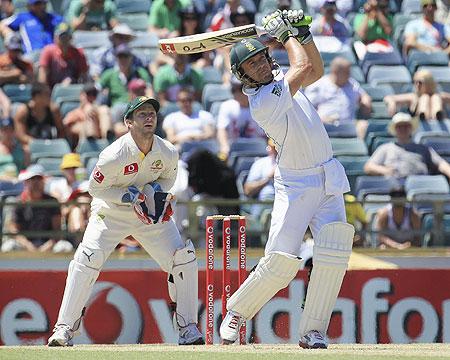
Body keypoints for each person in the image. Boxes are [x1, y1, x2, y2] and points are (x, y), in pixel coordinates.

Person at [219, 10, 354, 349]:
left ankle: (312, 332)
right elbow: (304, 67)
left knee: (334, 252)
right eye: (252, 64)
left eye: (262, 57)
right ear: (243, 75)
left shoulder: (282, 79)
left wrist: (303, 33)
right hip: (296, 185)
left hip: (328, 177)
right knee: (281, 261)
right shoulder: (262, 102)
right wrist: (285, 34)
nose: (261, 64)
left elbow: (316, 69)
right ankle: (237, 310)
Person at [47, 96, 204, 346]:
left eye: (152, 112)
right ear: (128, 122)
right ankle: (64, 329)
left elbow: (168, 180)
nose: (149, 116)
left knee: (182, 258)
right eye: (141, 114)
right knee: (86, 260)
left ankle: (188, 329)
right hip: (111, 213)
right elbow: (94, 189)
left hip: (148, 215)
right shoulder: (113, 155)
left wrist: (154, 194)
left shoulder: (167, 152)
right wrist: (129, 196)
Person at [364, 112, 450, 179]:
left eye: (406, 126)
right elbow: (369, 167)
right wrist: (385, 171)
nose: (403, 129)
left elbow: (441, 164)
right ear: (395, 130)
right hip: (397, 187)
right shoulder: (385, 148)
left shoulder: (423, 148)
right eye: (399, 127)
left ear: (411, 128)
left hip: (421, 184)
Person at [304, 56, 372, 138]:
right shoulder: (319, 85)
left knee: (364, 125)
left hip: (349, 125)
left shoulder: (352, 83)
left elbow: (363, 95)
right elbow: (306, 108)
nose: (349, 75)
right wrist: (321, 119)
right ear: (335, 72)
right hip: (325, 125)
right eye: (346, 72)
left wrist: (365, 99)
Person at [3, 164, 62, 252]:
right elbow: (14, 230)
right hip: (24, 244)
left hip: (48, 244)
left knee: (64, 247)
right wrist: (28, 245)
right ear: (26, 182)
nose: (36, 182)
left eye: (39, 178)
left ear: (44, 181)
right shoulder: (19, 202)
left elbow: (57, 230)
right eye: (32, 179)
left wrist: (47, 246)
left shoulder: (52, 201)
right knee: (8, 247)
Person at [217, 77, 266, 158]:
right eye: (233, 90)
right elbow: (222, 130)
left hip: (257, 150)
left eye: (239, 89)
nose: (235, 93)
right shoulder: (227, 106)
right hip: (234, 149)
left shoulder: (260, 106)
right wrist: (224, 146)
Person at [13, 82, 65, 149]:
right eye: (46, 94)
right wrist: (37, 144)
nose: (49, 97)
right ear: (37, 97)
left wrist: (53, 144)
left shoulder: (53, 110)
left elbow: (61, 131)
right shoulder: (23, 111)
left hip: (50, 144)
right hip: (30, 144)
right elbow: (21, 135)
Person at [384, 69, 450, 121]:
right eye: (416, 82)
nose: (417, 85)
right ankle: (423, 116)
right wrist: (391, 103)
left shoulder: (440, 96)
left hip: (440, 126)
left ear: (429, 83)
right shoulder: (413, 97)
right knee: (424, 98)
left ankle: (437, 115)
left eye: (420, 82)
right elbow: (389, 98)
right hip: (418, 126)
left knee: (435, 97)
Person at [38, 22, 89, 89]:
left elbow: (83, 76)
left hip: (74, 90)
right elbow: (42, 78)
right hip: (52, 91)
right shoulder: (48, 52)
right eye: (61, 37)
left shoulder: (78, 53)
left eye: (66, 36)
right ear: (55, 38)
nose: (64, 40)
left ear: (71, 37)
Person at [63, 83, 104, 148]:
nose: (91, 97)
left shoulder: (100, 111)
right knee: (81, 127)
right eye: (88, 94)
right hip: (80, 146)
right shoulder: (74, 113)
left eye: (94, 94)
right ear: (81, 95)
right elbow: (63, 127)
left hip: (100, 142)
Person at [243, 138, 277, 218]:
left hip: (286, 201)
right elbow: (248, 190)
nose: (276, 151)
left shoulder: (291, 166)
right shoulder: (260, 163)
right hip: (265, 203)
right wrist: (268, 178)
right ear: (269, 148)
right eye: (273, 148)